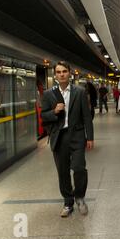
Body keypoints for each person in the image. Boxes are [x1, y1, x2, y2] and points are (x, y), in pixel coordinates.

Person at [41, 61, 94, 218]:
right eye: (58, 72)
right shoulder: (49, 94)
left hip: (76, 136)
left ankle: (80, 197)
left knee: (79, 168)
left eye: (64, 71)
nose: (62, 74)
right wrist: (54, 111)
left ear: (69, 73)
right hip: (59, 136)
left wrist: (89, 137)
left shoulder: (80, 91)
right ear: (55, 75)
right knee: (62, 172)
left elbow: (86, 116)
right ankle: (68, 202)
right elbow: (43, 116)